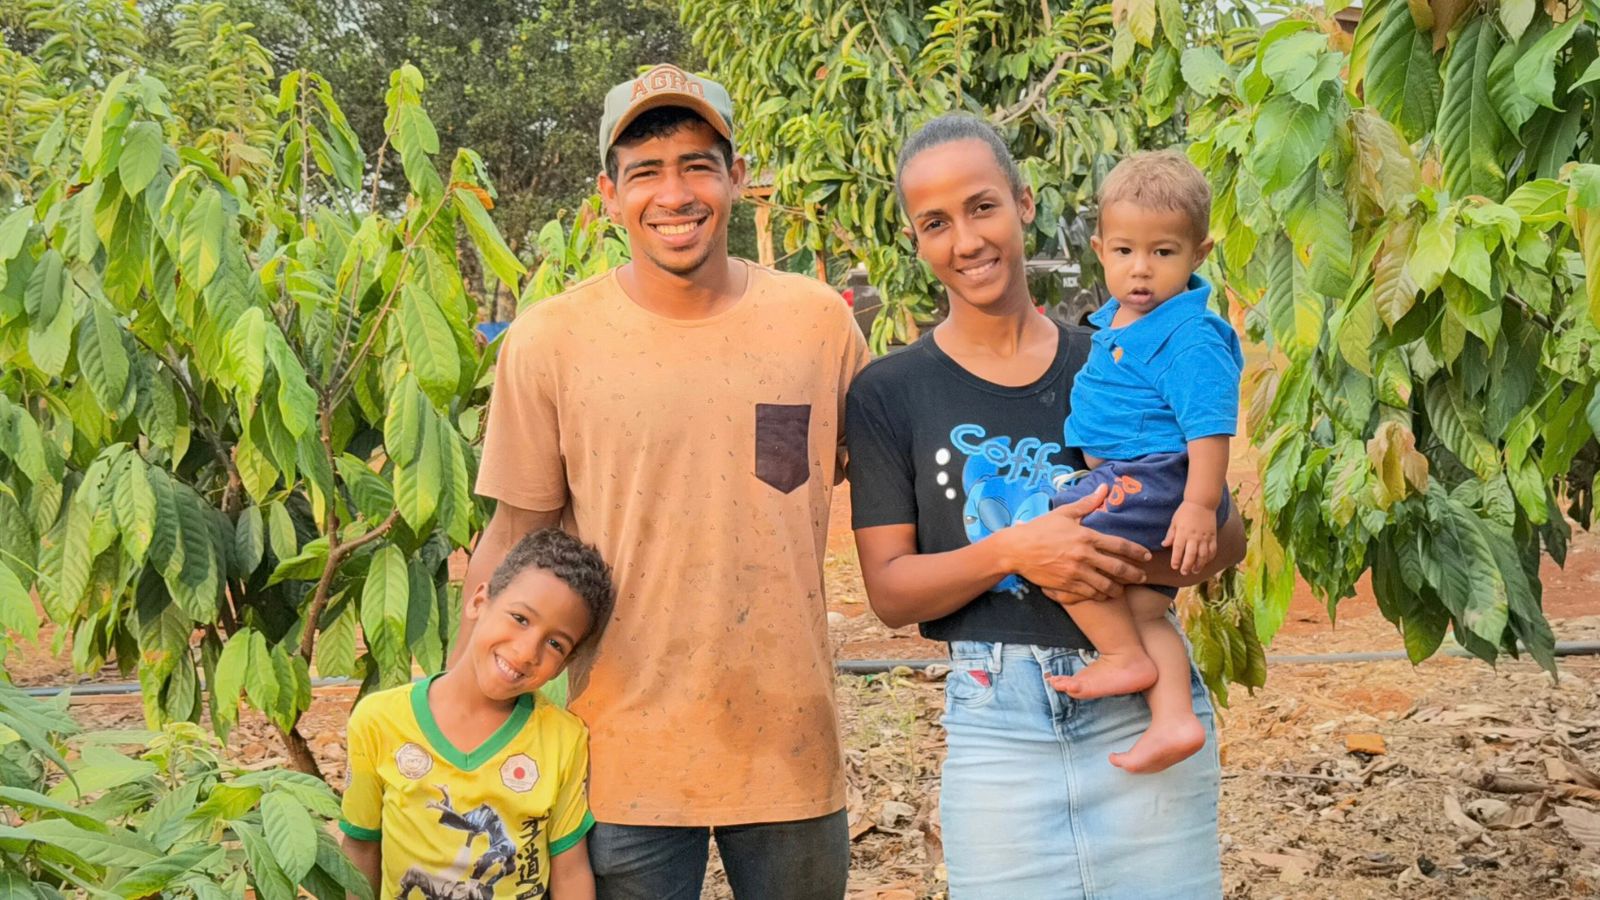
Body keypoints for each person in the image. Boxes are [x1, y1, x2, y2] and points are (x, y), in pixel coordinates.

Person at [462, 64, 870, 898]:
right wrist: (457, 727)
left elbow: (892, 486)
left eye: (697, 165)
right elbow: (514, 540)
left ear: (738, 180)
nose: (673, 193)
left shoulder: (816, 322)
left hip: (788, 746)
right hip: (619, 760)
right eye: (645, 171)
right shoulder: (550, 342)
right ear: (609, 196)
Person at [844, 114, 1243, 897]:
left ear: (1025, 204)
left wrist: (1131, 546)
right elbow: (891, 593)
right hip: (999, 724)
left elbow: (1219, 537)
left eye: (983, 206)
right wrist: (1014, 552)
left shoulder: (1118, 353)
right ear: (914, 240)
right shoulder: (890, 393)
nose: (966, 240)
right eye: (936, 223)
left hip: (1141, 708)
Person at [1044, 149, 1244, 774]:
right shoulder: (1116, 322)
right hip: (1141, 480)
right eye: (1125, 251)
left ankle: (1122, 658)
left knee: (1058, 541)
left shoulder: (1188, 336)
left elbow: (1210, 427)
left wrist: (1198, 505)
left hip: (1154, 480)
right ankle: (1174, 718)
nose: (1141, 270)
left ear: (1200, 255)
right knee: (1143, 606)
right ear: (1100, 249)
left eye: (1163, 253)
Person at [341, 528, 614, 899]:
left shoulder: (563, 737)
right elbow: (360, 848)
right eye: (520, 618)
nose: (526, 651)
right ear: (478, 601)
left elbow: (570, 871)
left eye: (554, 643)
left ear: (567, 662)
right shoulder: (378, 721)